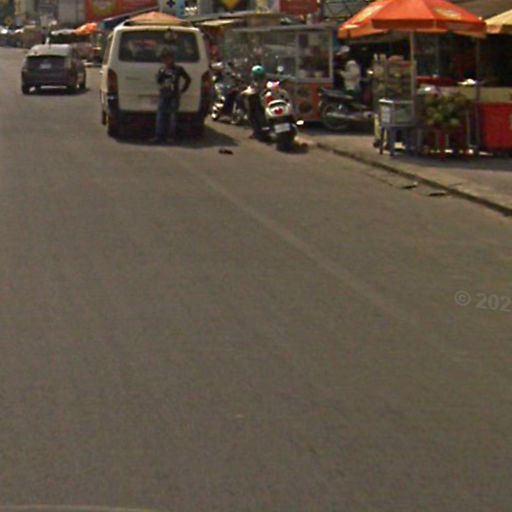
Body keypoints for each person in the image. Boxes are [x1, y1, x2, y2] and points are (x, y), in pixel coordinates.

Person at [152, 46, 191, 144]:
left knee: (172, 116)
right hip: (164, 94)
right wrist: (161, 76)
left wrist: (182, 90)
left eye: (168, 58)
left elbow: (188, 79)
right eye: (164, 59)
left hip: (174, 95)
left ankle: (171, 136)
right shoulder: (162, 69)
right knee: (161, 115)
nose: (166, 61)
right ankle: (158, 135)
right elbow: (159, 80)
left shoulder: (178, 69)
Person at [246, 64, 268, 140]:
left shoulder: (259, 82)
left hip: (258, 101)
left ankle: (256, 132)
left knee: (251, 115)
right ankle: (256, 132)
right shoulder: (263, 81)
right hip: (259, 101)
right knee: (252, 115)